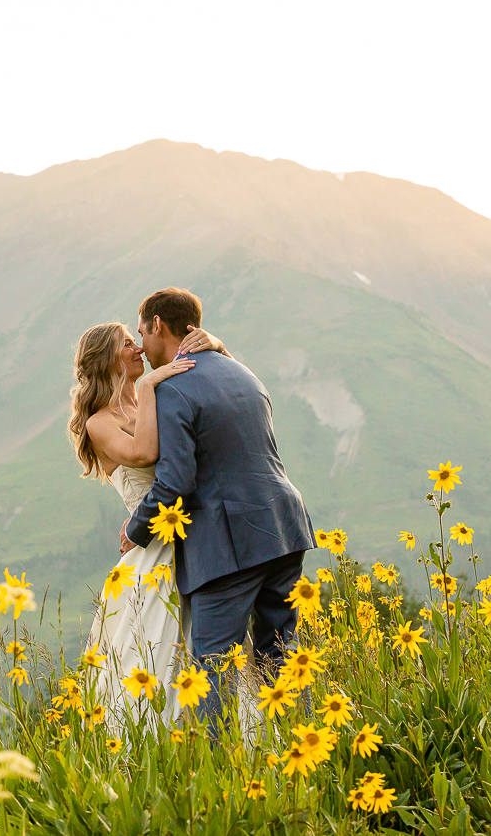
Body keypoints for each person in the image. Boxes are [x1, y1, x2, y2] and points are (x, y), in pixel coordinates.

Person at [121, 287, 315, 726]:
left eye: (141, 331)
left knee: (213, 667)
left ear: (158, 326)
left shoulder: (172, 387)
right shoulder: (243, 373)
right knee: (281, 656)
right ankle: (305, 754)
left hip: (229, 544)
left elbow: (175, 481)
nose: (143, 343)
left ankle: (220, 778)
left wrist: (135, 529)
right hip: (284, 526)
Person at [69, 318, 235, 725]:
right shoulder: (99, 422)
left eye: (136, 339)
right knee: (156, 651)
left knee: (213, 647)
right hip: (153, 548)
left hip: (194, 536)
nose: (138, 349)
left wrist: (216, 344)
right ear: (107, 358)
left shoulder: (156, 397)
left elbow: (222, 393)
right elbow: (144, 455)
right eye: (127, 344)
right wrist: (147, 387)